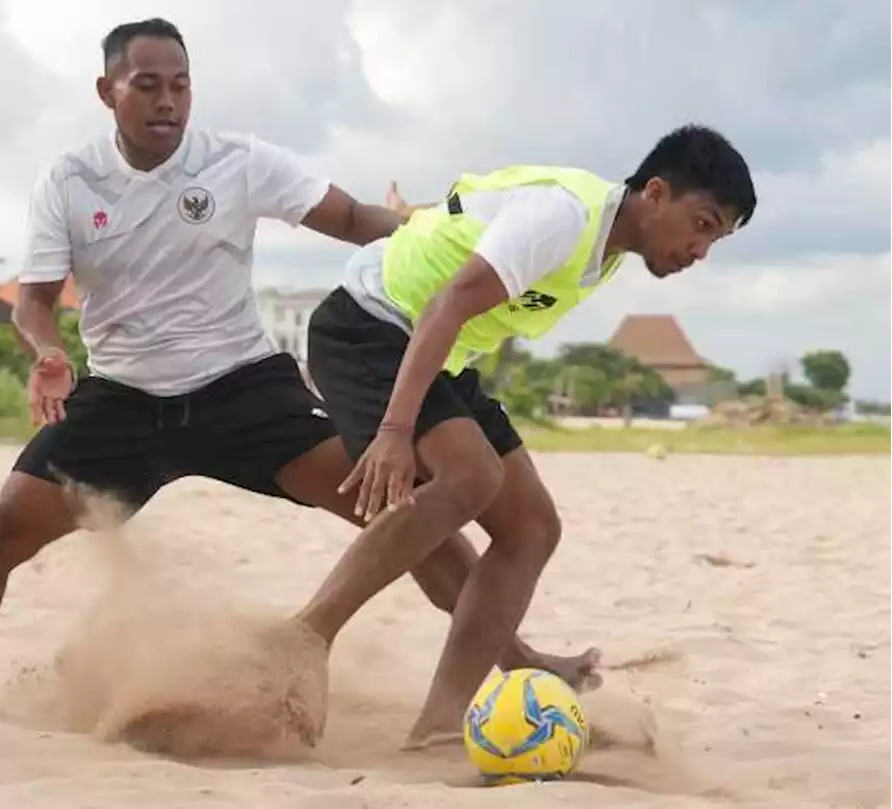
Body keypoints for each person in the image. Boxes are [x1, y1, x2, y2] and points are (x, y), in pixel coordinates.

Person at [0, 16, 597, 730]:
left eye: (181, 86)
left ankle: (519, 662)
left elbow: (348, 216)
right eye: (147, 85)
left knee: (400, 505)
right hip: (122, 400)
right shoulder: (69, 180)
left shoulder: (238, 161)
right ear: (106, 90)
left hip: (245, 391)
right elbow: (31, 301)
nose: (167, 101)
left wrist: (416, 223)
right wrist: (47, 352)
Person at [292, 124, 757, 749]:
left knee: (533, 526)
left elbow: (477, 209)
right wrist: (396, 430)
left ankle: (438, 726)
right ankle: (308, 636)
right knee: (470, 477)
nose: (702, 250)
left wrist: (424, 219)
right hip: (368, 329)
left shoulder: (608, 248)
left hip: (439, 354)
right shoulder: (567, 217)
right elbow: (447, 303)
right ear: (654, 193)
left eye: (716, 239)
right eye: (702, 224)